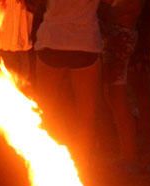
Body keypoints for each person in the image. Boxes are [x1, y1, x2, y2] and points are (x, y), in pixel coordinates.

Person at [32, 0, 103, 174]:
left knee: (45, 111)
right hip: (84, 41)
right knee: (86, 116)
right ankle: (82, 167)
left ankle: (44, 166)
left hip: (53, 39)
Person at [100, 0, 147, 168]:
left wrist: (102, 7)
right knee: (112, 95)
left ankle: (129, 154)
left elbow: (129, 9)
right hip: (117, 36)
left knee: (117, 96)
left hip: (120, 36)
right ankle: (126, 152)